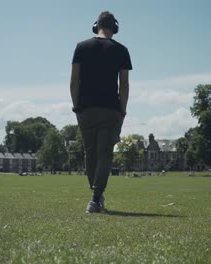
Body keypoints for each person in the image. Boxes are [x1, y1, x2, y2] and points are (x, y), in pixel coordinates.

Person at [70, 11, 132, 213]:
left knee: (91, 154)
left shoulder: (81, 47)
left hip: (86, 109)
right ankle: (96, 198)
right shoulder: (121, 50)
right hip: (110, 110)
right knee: (105, 154)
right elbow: (124, 85)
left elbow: (74, 82)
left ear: (96, 26)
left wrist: (76, 106)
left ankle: (96, 197)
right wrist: (122, 111)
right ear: (114, 27)